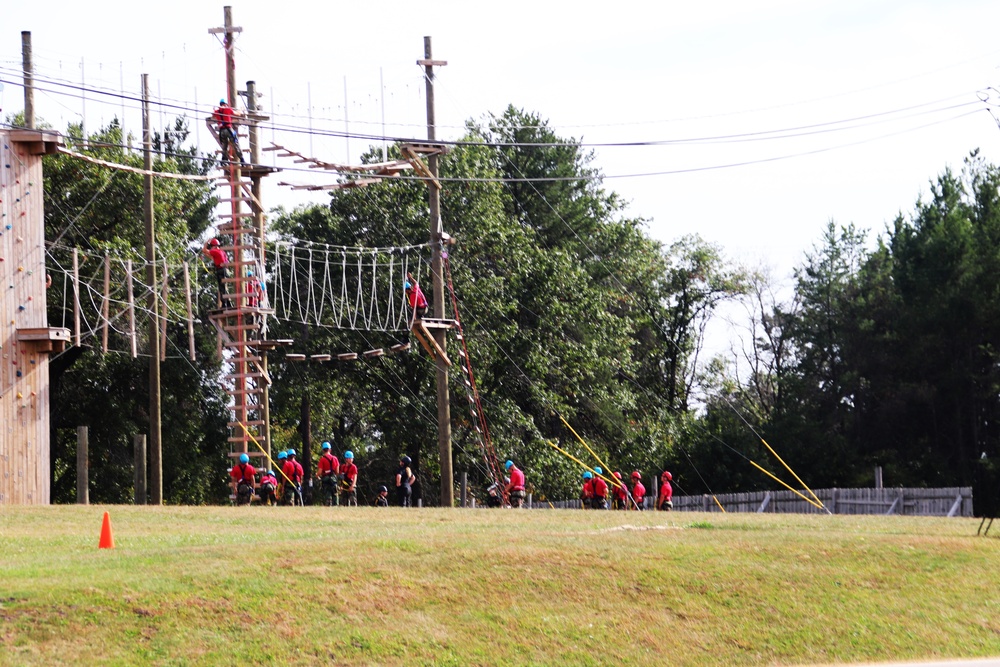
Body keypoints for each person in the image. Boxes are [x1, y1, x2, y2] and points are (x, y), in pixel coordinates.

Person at [212, 98, 245, 165]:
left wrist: (215, 110)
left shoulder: (217, 112)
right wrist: (241, 111)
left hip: (221, 132)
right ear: (225, 104)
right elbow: (237, 114)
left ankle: (224, 160)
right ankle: (242, 160)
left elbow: (213, 114)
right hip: (229, 130)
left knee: (225, 146)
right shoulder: (228, 109)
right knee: (236, 144)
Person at [202, 238, 229, 307]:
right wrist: (205, 254)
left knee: (221, 288)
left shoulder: (215, 251)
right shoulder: (221, 252)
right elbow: (212, 257)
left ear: (213, 246)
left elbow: (204, 250)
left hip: (221, 270)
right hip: (225, 270)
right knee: (224, 287)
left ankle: (225, 304)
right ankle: (227, 303)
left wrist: (206, 243)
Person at [316, 442, 340, 507]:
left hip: (325, 479)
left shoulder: (322, 459)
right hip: (333, 479)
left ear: (323, 450)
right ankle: (336, 506)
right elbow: (337, 471)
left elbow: (320, 471)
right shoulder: (335, 458)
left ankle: (328, 505)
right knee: (335, 494)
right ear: (330, 449)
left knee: (327, 495)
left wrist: (317, 475)